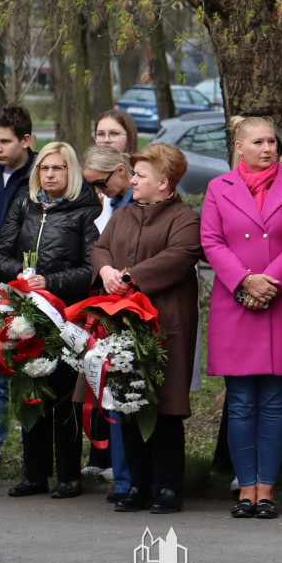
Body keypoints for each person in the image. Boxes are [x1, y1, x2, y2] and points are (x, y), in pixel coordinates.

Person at [201, 115, 282, 519]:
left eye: (272, 142)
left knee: (274, 404)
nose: (268, 149)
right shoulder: (218, 187)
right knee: (241, 403)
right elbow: (211, 240)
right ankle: (245, 489)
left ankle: (266, 491)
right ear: (239, 147)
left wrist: (270, 284)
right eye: (258, 142)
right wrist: (246, 282)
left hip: (281, 304)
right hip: (236, 305)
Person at [90, 144, 202, 514]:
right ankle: (137, 484)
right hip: (124, 322)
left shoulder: (184, 218)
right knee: (128, 399)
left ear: (163, 182)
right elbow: (100, 247)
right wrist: (106, 270)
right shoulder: (124, 214)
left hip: (164, 324)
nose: (133, 181)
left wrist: (131, 276)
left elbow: (179, 256)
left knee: (165, 407)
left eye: (140, 175)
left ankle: (168, 486)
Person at [0, 142, 100, 498]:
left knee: (63, 395)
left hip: (67, 314)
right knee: (32, 392)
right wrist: (22, 275)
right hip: (26, 312)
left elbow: (90, 268)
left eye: (58, 168)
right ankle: (35, 475)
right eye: (44, 168)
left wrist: (50, 282)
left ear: (71, 172)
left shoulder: (87, 210)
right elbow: (1, 253)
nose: (50, 174)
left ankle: (69, 476)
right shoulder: (24, 203)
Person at [79, 144, 137, 501]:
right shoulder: (111, 203)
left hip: (132, 301)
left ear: (120, 170)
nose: (98, 191)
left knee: (128, 389)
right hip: (109, 301)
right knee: (111, 390)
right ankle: (122, 473)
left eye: (100, 183)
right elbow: (99, 247)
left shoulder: (134, 201)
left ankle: (132, 474)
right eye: (92, 186)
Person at [0, 104, 38, 473]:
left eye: (5, 141)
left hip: (25, 282)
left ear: (25, 141)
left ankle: (34, 460)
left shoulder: (41, 174)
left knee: (29, 372)